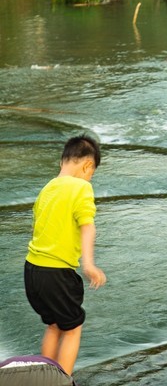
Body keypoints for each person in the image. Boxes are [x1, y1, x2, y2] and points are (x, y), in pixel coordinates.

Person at [24, 135, 107, 376]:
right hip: (57, 273)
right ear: (87, 166)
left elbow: (38, 227)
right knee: (73, 328)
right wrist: (89, 263)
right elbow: (87, 225)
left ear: (63, 161)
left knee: (54, 326)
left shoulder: (47, 188)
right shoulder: (81, 187)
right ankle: (62, 381)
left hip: (32, 271)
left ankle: (44, 378)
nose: (90, 178)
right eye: (91, 173)